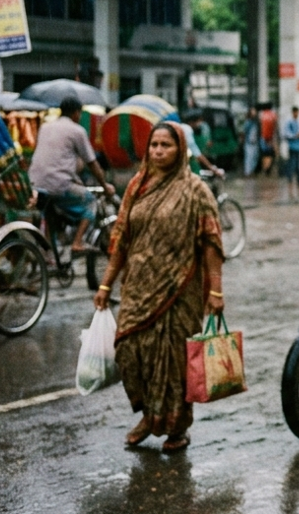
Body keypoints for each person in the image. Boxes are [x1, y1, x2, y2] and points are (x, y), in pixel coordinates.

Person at [94, 122, 225, 452]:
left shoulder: (195, 190)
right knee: (129, 351)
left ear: (180, 150)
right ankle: (149, 416)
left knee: (173, 360)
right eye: (154, 145)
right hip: (138, 285)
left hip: (179, 289)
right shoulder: (138, 185)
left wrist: (215, 291)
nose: (158, 151)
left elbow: (211, 241)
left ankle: (176, 427)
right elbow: (121, 238)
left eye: (166, 145)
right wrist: (106, 284)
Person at [28, 96, 116, 253]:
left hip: (35, 183)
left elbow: (56, 159)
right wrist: (105, 185)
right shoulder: (77, 130)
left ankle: (50, 253)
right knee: (90, 202)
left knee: (52, 214)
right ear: (76, 113)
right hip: (58, 185)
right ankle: (77, 242)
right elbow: (92, 163)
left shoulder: (45, 127)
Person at [282, 106, 299, 200]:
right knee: (292, 165)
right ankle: (290, 183)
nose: (296, 114)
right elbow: (286, 134)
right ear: (293, 112)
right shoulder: (289, 122)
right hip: (292, 147)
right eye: (295, 112)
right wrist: (295, 136)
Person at [242, 107, 260, 177]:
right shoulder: (248, 122)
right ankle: (247, 172)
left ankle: (252, 171)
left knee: (255, 157)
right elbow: (244, 131)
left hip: (255, 142)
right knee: (249, 157)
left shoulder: (256, 122)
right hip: (249, 142)